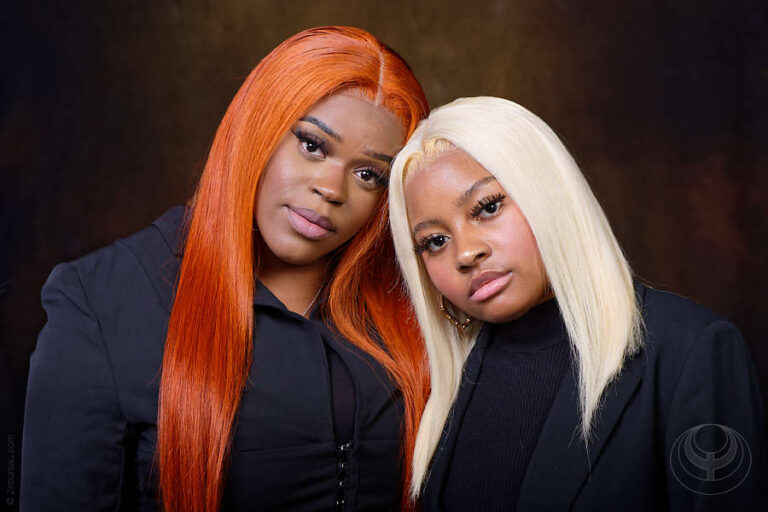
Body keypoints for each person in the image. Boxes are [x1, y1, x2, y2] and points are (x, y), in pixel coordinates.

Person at [21, 26, 430, 512]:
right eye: (313, 145)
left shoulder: (415, 300)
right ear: (257, 127)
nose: (331, 188)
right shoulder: (99, 301)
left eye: (368, 175)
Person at [387, 96, 767, 510]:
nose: (465, 253)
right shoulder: (437, 383)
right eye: (435, 241)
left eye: (488, 207)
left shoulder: (690, 351)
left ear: (550, 194)